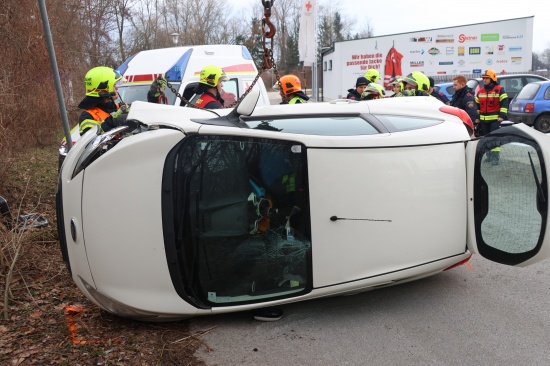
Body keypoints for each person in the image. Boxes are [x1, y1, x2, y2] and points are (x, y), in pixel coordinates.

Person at [78, 66, 128, 135]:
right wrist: (113, 120)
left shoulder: (121, 108)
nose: (117, 88)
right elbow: (91, 138)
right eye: (114, 85)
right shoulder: (88, 116)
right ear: (104, 88)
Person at [475, 69, 509, 164]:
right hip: (483, 120)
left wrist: (502, 115)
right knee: (486, 139)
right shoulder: (480, 91)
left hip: (495, 119)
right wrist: (478, 117)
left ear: (492, 78)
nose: (484, 80)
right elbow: (477, 105)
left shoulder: (499, 89)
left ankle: (495, 158)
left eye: (486, 78)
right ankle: (489, 157)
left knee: (494, 138)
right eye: (483, 78)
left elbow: (505, 103)